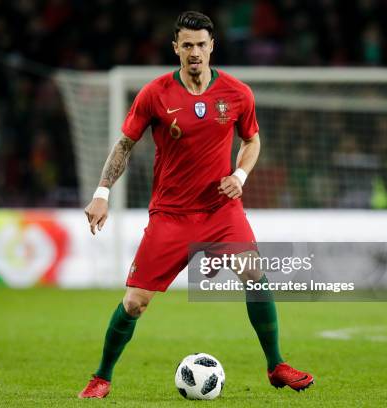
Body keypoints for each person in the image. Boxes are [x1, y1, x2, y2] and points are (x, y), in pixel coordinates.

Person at [79, 11, 314, 399]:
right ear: (175, 47)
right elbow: (125, 145)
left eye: (201, 44)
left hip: (221, 211)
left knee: (255, 277)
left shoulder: (238, 93)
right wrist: (102, 193)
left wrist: (239, 177)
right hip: (170, 216)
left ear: (211, 47)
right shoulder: (154, 94)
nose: (194, 52)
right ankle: (101, 376)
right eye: (186, 44)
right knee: (135, 303)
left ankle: (276, 366)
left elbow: (252, 140)